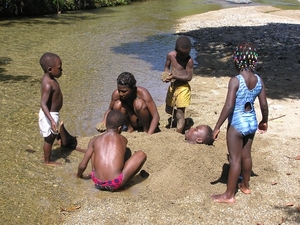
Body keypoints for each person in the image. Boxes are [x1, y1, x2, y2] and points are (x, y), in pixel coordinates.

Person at [211, 42, 268, 203]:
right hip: (251, 123)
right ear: (254, 61)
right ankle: (245, 185)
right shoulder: (258, 80)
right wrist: (264, 120)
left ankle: (229, 195)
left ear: (236, 61)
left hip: (237, 124)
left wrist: (217, 127)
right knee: (246, 156)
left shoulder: (235, 81)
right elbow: (264, 104)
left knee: (234, 159)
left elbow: (229, 105)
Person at [77, 110, 147, 191]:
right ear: (119, 128)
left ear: (106, 125)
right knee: (141, 154)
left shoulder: (94, 140)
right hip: (114, 183)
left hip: (96, 181)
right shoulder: (123, 139)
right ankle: (123, 184)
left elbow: (82, 165)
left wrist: (78, 176)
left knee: (94, 150)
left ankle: (98, 174)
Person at [162, 36, 194, 134]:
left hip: (183, 88)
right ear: (176, 51)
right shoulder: (170, 55)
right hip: (173, 86)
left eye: (187, 53)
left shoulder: (189, 61)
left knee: (180, 112)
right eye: (181, 54)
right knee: (168, 109)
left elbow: (189, 77)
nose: (184, 56)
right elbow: (166, 67)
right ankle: (183, 119)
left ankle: (178, 132)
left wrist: (174, 76)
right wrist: (166, 75)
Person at [38, 52, 64, 166]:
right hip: (49, 115)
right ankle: (47, 161)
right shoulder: (48, 84)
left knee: (51, 136)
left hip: (52, 114)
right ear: (49, 69)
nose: (61, 70)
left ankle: (46, 154)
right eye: (59, 68)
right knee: (49, 138)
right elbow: (43, 104)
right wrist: (52, 120)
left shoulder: (50, 78)